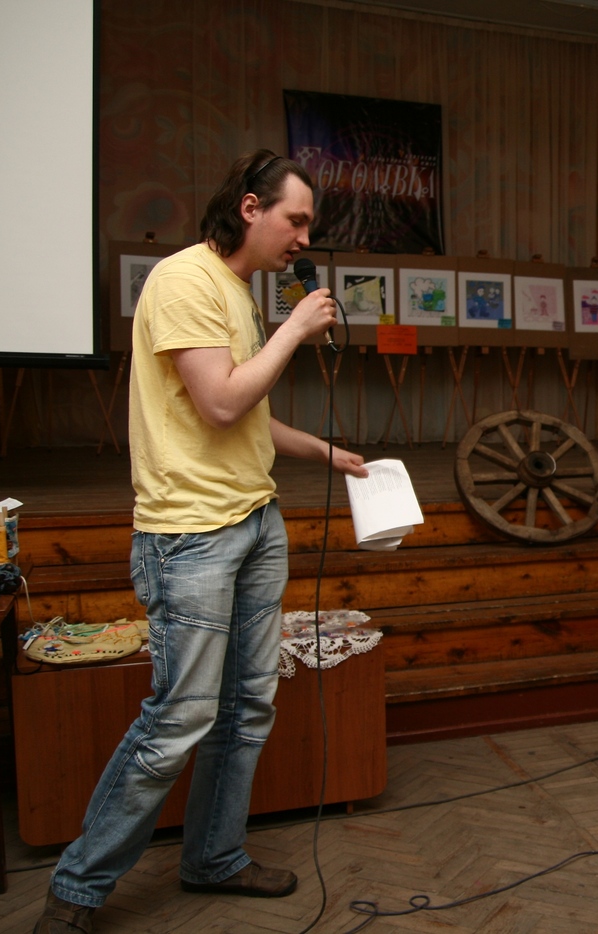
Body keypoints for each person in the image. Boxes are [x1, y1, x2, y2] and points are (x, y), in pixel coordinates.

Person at [36, 150, 368, 933]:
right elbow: (219, 402)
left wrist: (322, 451)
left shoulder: (236, 292)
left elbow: (246, 413)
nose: (304, 238)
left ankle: (215, 857)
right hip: (191, 536)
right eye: (295, 220)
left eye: (309, 225)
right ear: (251, 208)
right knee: (178, 719)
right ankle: (76, 889)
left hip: (254, 520)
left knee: (247, 707)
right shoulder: (185, 280)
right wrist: (294, 329)